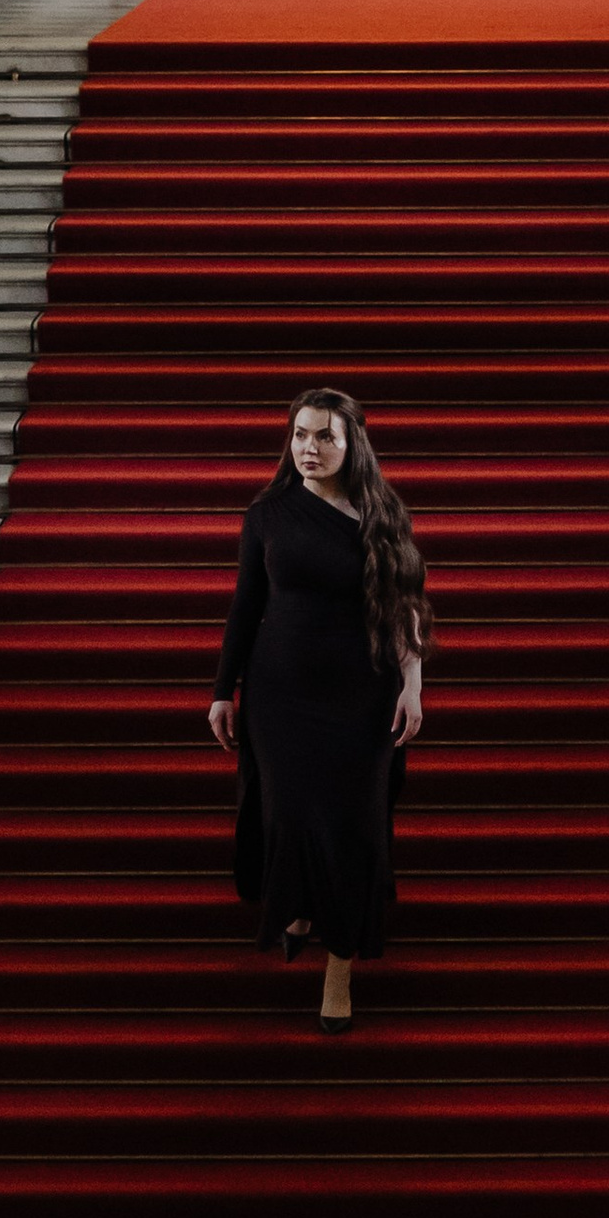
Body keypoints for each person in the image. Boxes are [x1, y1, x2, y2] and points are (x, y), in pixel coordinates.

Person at [208, 388, 428, 1031]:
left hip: (363, 694)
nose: (309, 448)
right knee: (290, 813)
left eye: (323, 437)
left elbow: (405, 606)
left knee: (353, 827)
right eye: (300, 435)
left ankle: (339, 966)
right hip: (280, 696)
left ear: (350, 442)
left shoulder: (381, 513)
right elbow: (246, 607)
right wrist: (224, 690)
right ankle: (298, 908)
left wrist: (413, 682)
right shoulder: (268, 515)